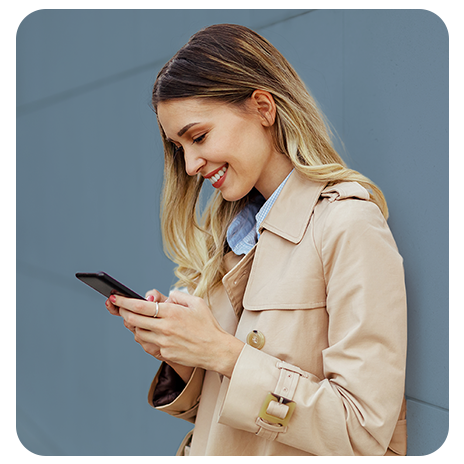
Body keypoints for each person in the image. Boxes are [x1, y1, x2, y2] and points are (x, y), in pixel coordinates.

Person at [105, 24, 407, 456]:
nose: (190, 164)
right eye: (178, 147)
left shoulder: (347, 225)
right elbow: (235, 421)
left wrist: (224, 352)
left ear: (263, 107)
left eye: (199, 136)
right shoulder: (232, 238)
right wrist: (184, 354)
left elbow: (361, 433)